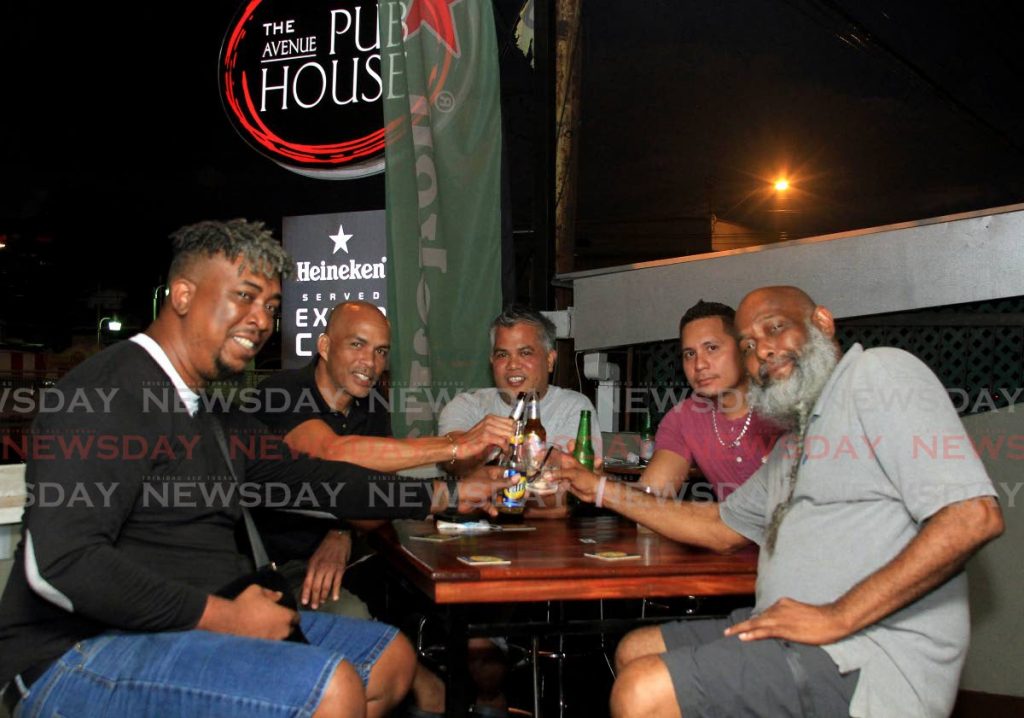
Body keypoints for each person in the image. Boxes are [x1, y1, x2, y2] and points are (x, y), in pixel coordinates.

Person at [0, 219, 505, 718]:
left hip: (183, 627)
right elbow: (60, 564)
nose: (261, 321)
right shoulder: (107, 394)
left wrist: (447, 495)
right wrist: (224, 616)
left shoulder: (214, 415)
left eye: (270, 307)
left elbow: (317, 479)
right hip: (76, 654)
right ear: (182, 295)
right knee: (333, 689)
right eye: (244, 296)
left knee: (388, 661)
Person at [556, 285, 1004, 718]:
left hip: (866, 650)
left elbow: (972, 516)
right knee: (636, 649)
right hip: (787, 624)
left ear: (822, 323)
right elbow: (720, 527)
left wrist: (837, 616)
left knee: (644, 691)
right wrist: (596, 487)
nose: (762, 351)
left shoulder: (877, 373)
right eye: (749, 344)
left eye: (774, 329)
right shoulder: (798, 438)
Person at [252, 300, 514, 715]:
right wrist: (455, 445)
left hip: (361, 556)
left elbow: (376, 495)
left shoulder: (370, 404)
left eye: (381, 351)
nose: (370, 362)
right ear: (323, 345)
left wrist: (342, 532)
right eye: (358, 344)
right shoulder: (281, 391)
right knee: (379, 654)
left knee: (471, 636)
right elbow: (331, 453)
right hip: (281, 568)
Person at [439, 304, 603, 494]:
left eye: (525, 353)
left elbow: (568, 489)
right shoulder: (466, 406)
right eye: (502, 355)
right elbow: (451, 462)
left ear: (549, 361)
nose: (513, 365)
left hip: (551, 523)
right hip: (477, 520)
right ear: (492, 361)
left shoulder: (574, 407)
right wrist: (481, 444)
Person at [641, 299, 782, 501]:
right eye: (690, 354)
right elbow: (651, 501)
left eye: (712, 348)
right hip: (725, 531)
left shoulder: (784, 404)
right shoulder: (684, 418)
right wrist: (603, 487)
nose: (699, 364)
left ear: (744, 349)